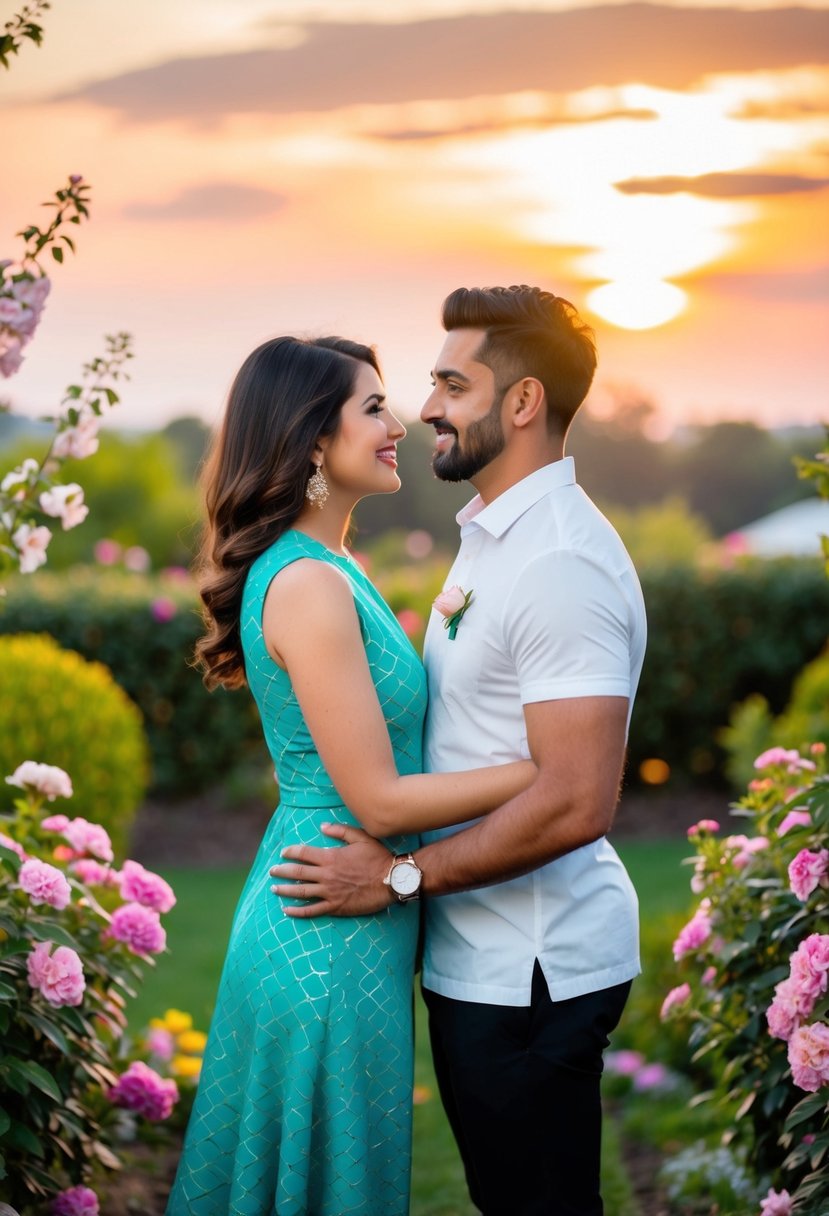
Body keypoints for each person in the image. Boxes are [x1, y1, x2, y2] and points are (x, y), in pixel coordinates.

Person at [270, 286, 648, 1216]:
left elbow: (573, 801)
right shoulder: (495, 538)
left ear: (521, 404)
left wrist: (397, 880)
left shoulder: (557, 560)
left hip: (531, 968)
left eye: (450, 383)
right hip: (482, 958)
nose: (426, 407)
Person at [166, 334, 535, 1216]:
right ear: (309, 440)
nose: (398, 422)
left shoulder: (329, 568)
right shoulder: (306, 584)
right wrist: (540, 772)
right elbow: (376, 799)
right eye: (372, 408)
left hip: (346, 909)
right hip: (329, 918)